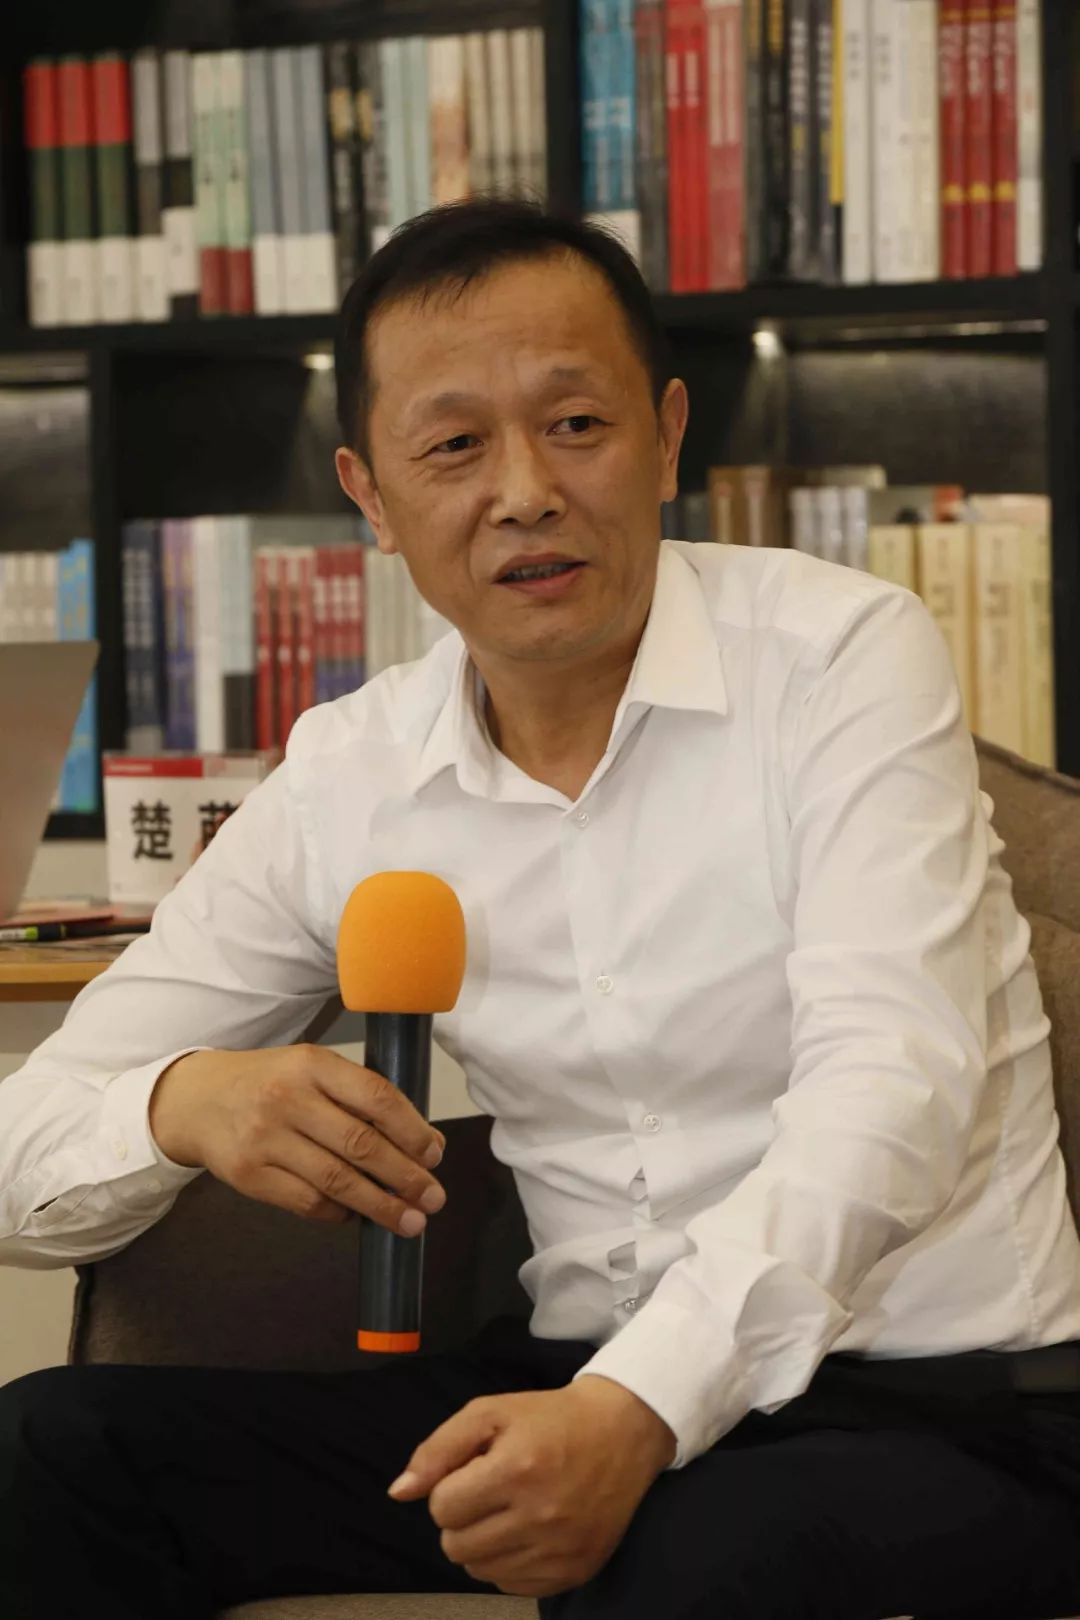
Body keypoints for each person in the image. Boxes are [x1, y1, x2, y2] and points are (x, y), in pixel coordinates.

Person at [2, 197, 1080, 1620]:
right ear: (371, 497)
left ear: (668, 436)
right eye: (453, 446)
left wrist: (638, 1410)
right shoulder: (350, 772)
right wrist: (175, 1104)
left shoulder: (839, 656)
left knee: (689, 1564)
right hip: (561, 1380)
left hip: (941, 1403)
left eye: (576, 425)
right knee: (49, 1451)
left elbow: (894, 1088)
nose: (523, 492)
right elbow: (22, 1141)